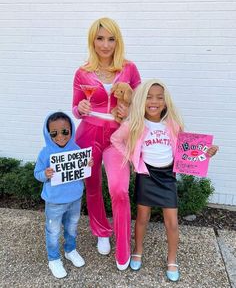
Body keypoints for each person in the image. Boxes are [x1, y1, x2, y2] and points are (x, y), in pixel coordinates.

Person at [111, 79, 218, 281]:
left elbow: (187, 149)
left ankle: (172, 259)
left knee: (172, 222)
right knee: (142, 218)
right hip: (147, 175)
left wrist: (206, 152)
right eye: (149, 97)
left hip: (168, 177)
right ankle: (138, 250)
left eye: (159, 97)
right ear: (141, 100)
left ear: (166, 101)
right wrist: (133, 159)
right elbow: (115, 139)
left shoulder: (173, 124)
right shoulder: (135, 123)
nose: (154, 101)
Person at [72, 17, 141, 270]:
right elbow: (76, 109)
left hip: (117, 135)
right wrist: (80, 108)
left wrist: (129, 108)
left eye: (111, 39)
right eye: (100, 38)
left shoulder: (129, 68)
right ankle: (101, 230)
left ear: (117, 41)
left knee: (120, 189)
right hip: (89, 132)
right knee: (92, 185)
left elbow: (141, 102)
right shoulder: (83, 72)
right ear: (93, 40)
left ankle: (124, 246)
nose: (105, 44)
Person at [34, 112, 93, 279]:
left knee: (72, 227)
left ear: (71, 130)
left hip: (75, 198)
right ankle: (53, 259)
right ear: (48, 133)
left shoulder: (76, 149)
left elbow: (80, 174)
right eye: (54, 133)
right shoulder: (45, 153)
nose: (60, 137)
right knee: (53, 231)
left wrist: (86, 165)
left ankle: (70, 250)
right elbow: (37, 174)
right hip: (54, 202)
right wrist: (45, 174)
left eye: (64, 131)